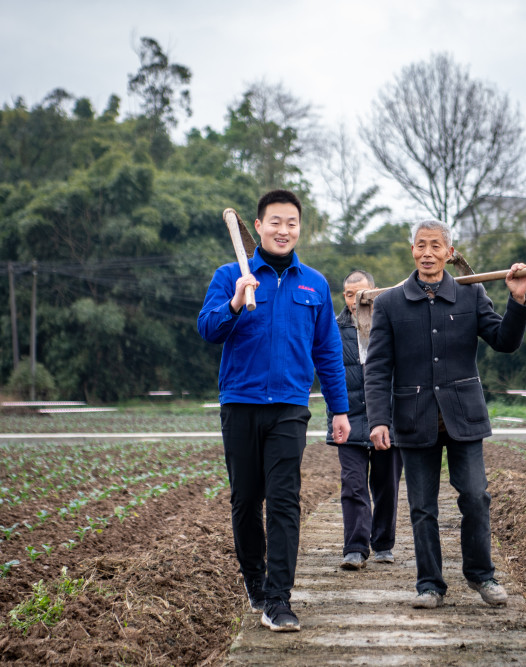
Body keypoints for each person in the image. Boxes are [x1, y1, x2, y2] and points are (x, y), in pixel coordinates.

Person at [198, 189, 351, 633]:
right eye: (275, 222)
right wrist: (234, 301)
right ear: (258, 227)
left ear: (299, 229)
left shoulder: (314, 284)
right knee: (246, 501)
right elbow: (207, 329)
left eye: (292, 223)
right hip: (241, 405)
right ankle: (255, 580)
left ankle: (279, 599)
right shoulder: (231, 275)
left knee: (284, 502)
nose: (284, 230)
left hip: (289, 407)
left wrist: (339, 411)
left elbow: (327, 352)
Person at [363, 219, 526, 610]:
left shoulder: (471, 296)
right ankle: (430, 585)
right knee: (423, 507)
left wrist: (518, 300)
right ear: (412, 251)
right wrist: (378, 419)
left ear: (449, 253)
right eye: (421, 245)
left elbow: (504, 341)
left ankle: (482, 575)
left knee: (475, 496)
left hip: (463, 417)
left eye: (436, 246)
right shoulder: (389, 303)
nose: (427, 253)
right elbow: (377, 368)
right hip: (413, 418)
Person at [326, 270, 403, 571]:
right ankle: (355, 547)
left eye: (362, 293)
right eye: (349, 294)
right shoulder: (332, 330)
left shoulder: (392, 325)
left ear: (375, 293)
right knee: (353, 485)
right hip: (349, 417)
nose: (356, 299)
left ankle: (383, 544)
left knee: (387, 485)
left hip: (388, 417)